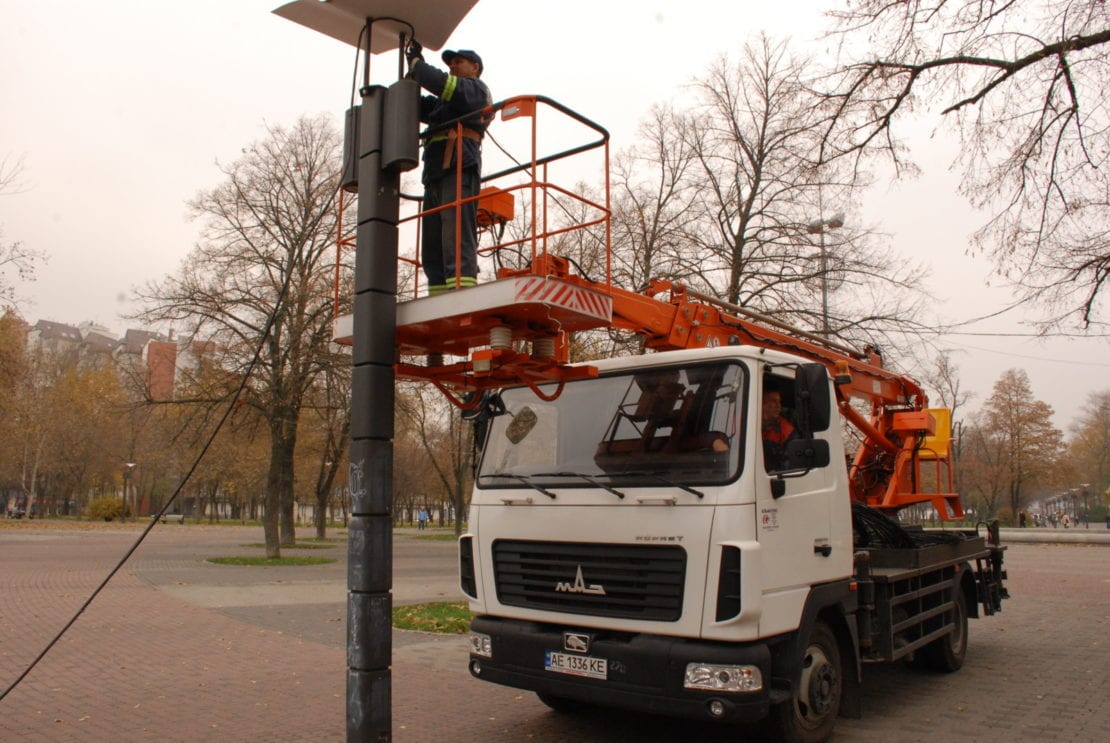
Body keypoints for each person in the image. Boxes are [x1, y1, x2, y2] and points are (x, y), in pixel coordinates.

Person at [406, 40, 492, 295]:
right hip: (434, 172)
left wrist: (418, 66)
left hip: (459, 168)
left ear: (474, 67)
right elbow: (415, 103)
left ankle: (461, 292)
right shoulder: (444, 104)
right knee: (432, 240)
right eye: (450, 64)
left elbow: (441, 83)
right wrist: (410, 74)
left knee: (455, 232)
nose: (453, 67)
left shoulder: (475, 90)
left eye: (458, 62)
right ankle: (438, 293)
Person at [761, 389, 797, 470]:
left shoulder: (786, 429)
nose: (779, 405)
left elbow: (789, 464)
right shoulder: (745, 423)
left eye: (779, 402)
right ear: (761, 403)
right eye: (773, 401)